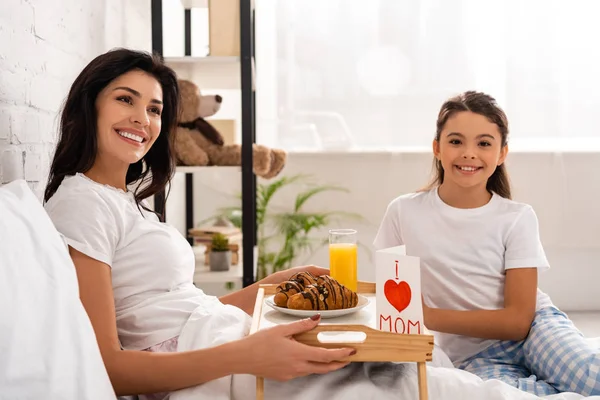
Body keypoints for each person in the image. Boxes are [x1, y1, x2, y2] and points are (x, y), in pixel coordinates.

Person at [43, 48, 356, 399]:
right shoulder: (82, 203)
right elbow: (106, 367)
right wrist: (246, 356)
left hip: (222, 341)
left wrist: (265, 290)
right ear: (90, 104)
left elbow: (181, 310)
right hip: (217, 364)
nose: (142, 119)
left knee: (383, 368)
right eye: (125, 100)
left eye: (154, 109)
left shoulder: (128, 201)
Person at [373, 90, 600, 396]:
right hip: (472, 355)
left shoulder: (516, 218)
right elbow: (391, 296)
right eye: (456, 141)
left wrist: (428, 315)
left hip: (537, 329)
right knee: (514, 396)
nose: (469, 153)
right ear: (437, 148)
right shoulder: (403, 212)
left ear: (501, 153)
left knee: (590, 377)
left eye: (483, 143)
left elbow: (519, 320)